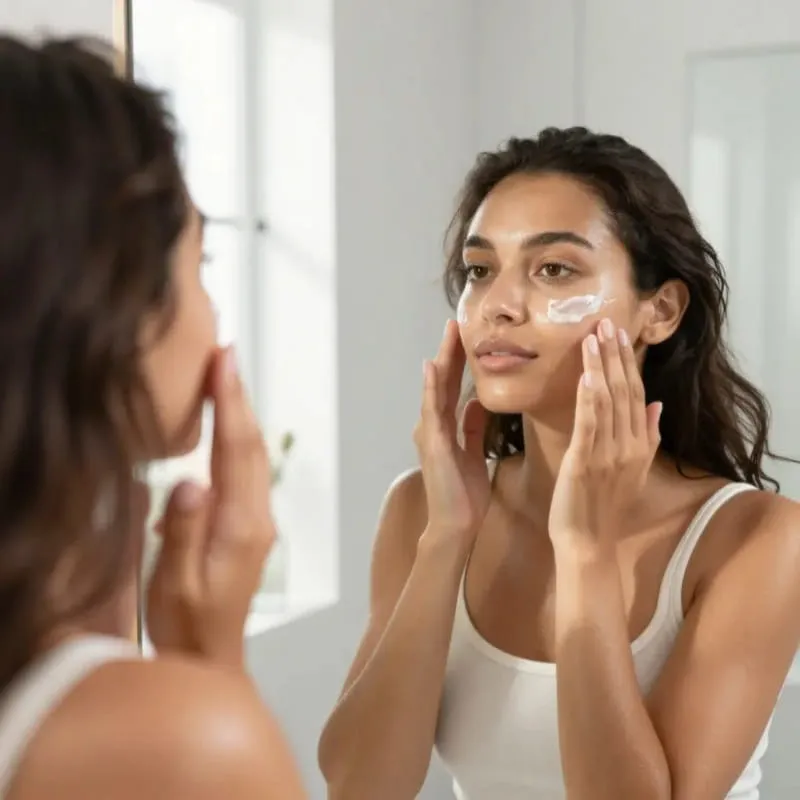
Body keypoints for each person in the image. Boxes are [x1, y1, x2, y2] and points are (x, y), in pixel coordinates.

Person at [318, 127, 800, 799]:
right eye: (480, 270)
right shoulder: (420, 510)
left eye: (554, 270)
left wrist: (584, 553)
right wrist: (447, 538)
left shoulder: (758, 540)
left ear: (660, 310)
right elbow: (362, 787)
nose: (498, 305)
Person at [0, 36, 305, 799]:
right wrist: (210, 667)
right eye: (201, 265)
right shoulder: (185, 745)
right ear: (115, 311)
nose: (214, 314)